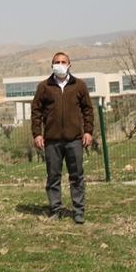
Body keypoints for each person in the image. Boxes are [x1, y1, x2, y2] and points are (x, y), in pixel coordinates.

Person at [31, 52, 93, 224]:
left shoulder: (79, 85)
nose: (60, 64)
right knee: (53, 176)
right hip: (52, 141)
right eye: (56, 62)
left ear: (69, 65)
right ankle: (55, 209)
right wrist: (37, 134)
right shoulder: (44, 87)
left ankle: (78, 211)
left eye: (63, 62)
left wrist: (88, 131)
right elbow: (36, 111)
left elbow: (88, 109)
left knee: (77, 176)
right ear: (52, 65)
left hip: (75, 140)